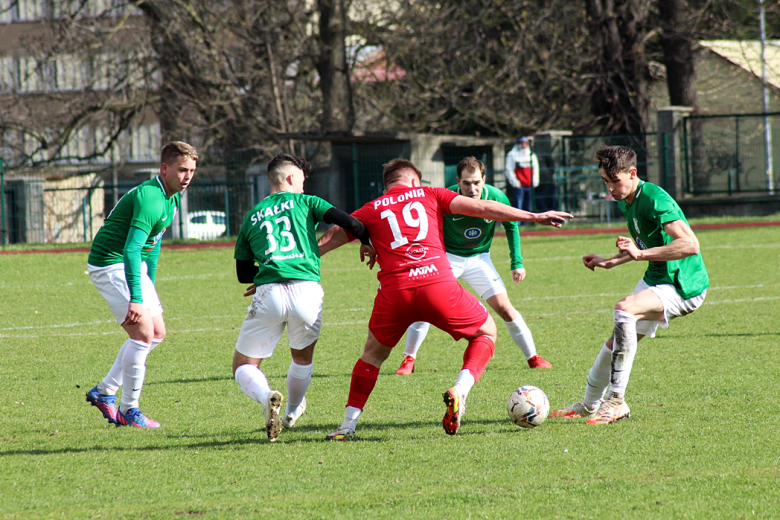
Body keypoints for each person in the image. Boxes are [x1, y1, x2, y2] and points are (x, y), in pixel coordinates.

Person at [318, 159, 572, 440]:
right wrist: (534, 216)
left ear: (386, 185)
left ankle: (347, 426)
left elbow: (332, 237)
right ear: (416, 182)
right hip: (437, 284)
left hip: (396, 292)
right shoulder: (431, 194)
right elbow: (483, 208)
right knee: (486, 332)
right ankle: (460, 391)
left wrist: (278, 268)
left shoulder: (370, 209)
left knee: (372, 356)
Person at [552, 145, 709, 425]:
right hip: (656, 280)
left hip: (682, 284)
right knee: (615, 343)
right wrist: (611, 260)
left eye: (615, 180)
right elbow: (646, 243)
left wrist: (641, 254)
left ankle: (617, 401)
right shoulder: (629, 199)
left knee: (624, 310)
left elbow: (690, 245)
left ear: (632, 173)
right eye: (605, 181)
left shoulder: (654, 198)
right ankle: (589, 405)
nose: (610, 188)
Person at [232, 153, 373, 442]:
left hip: (268, 292)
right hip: (306, 291)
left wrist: (267, 272)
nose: (304, 188)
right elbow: (352, 223)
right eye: (303, 181)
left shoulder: (251, 215)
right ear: (292, 178)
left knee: (244, 365)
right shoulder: (308, 202)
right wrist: (367, 242)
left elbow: (244, 273)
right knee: (302, 359)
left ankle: (265, 397)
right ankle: (292, 411)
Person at [395, 156, 552, 376]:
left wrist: (517, 262)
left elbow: (511, 226)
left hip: (480, 259)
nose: (472, 188)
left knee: (506, 309)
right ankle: (408, 360)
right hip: (447, 258)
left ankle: (533, 357)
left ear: (484, 180)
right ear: (458, 181)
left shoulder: (496, 197)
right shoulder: (445, 197)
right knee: (424, 308)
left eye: (477, 182)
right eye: (467, 183)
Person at [85, 141, 198, 428]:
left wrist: (150, 285)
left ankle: (104, 391)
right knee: (143, 334)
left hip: (132, 266)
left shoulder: (171, 198)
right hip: (110, 264)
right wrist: (137, 297)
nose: (187, 176)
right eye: (182, 169)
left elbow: (152, 247)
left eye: (192, 170)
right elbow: (131, 250)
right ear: (164, 168)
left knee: (157, 332)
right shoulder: (151, 198)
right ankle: (128, 409)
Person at [504, 136, 539, 214]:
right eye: (522, 143)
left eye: (525, 143)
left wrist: (535, 181)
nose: (523, 145)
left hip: (529, 185)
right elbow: (509, 169)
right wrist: (515, 183)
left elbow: (535, 169)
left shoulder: (532, 155)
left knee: (529, 206)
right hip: (519, 185)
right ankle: (518, 223)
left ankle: (526, 223)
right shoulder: (512, 154)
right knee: (518, 206)